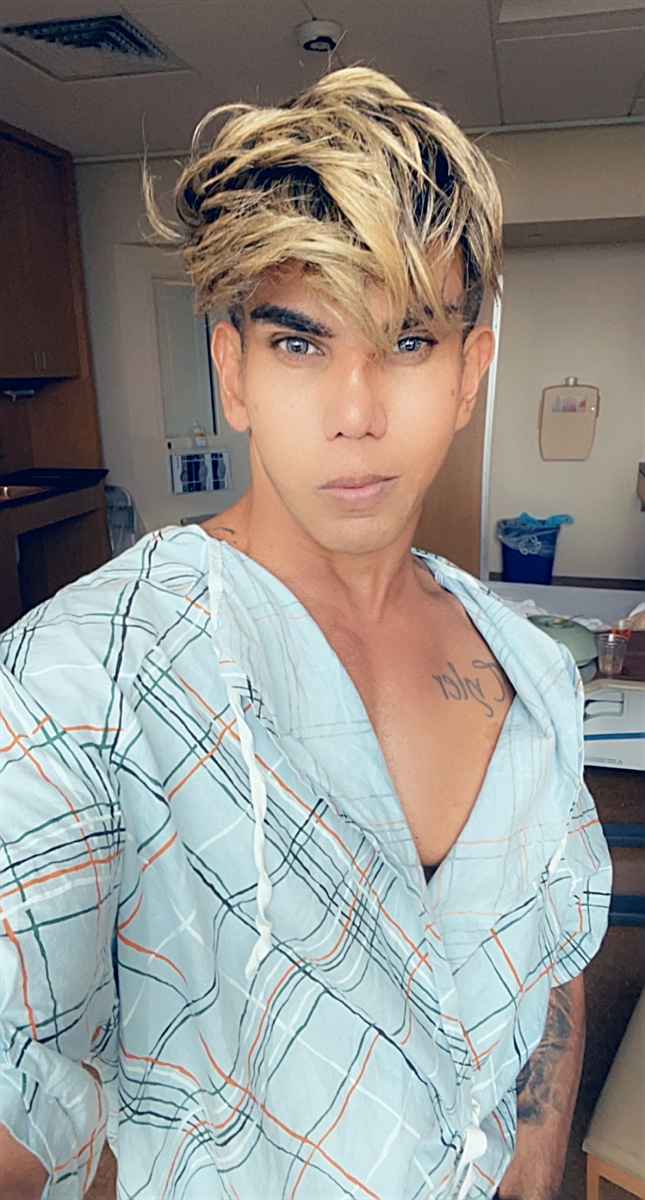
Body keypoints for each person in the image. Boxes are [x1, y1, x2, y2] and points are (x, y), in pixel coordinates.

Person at [0, 68, 610, 1200]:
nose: (356, 412)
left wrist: (533, 1179)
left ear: (470, 372)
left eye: (409, 342)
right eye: (300, 345)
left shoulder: (528, 671)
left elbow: (554, 959)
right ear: (232, 370)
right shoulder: (83, 680)